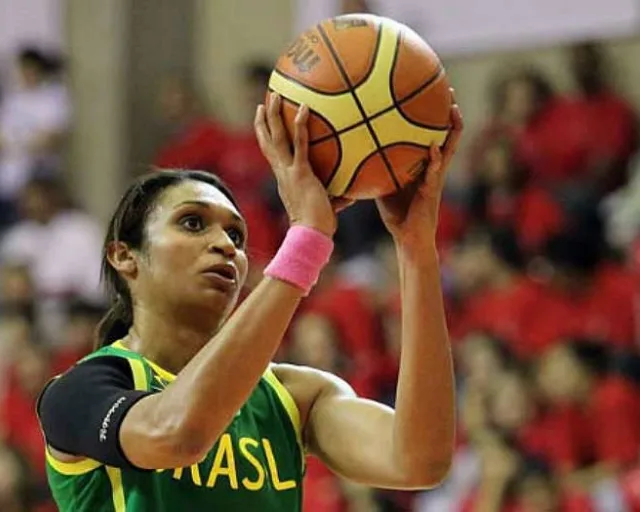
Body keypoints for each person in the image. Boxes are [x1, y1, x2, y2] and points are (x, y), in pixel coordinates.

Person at [35, 92, 462, 511]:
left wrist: (416, 249)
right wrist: (306, 243)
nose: (224, 244)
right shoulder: (80, 391)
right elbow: (176, 433)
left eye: (236, 236)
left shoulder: (295, 396)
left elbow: (419, 460)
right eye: (192, 222)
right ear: (124, 255)